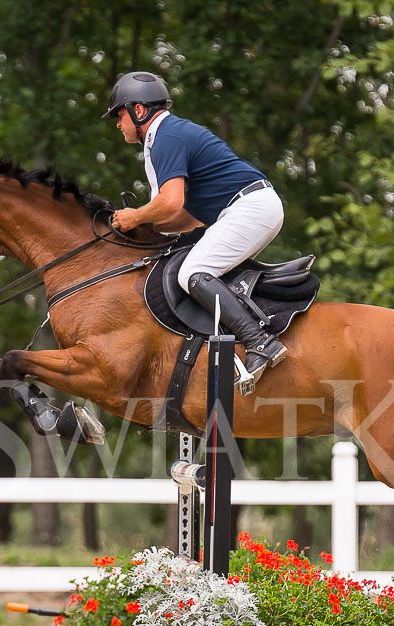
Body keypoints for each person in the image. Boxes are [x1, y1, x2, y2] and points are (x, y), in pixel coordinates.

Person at [105, 70, 287, 392]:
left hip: (250, 208)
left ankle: (260, 341)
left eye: (119, 115)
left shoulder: (165, 137)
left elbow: (170, 203)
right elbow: (186, 218)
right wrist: (145, 228)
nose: (118, 124)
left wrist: (135, 217)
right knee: (201, 269)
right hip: (252, 206)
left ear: (139, 110)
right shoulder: (167, 135)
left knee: (192, 272)